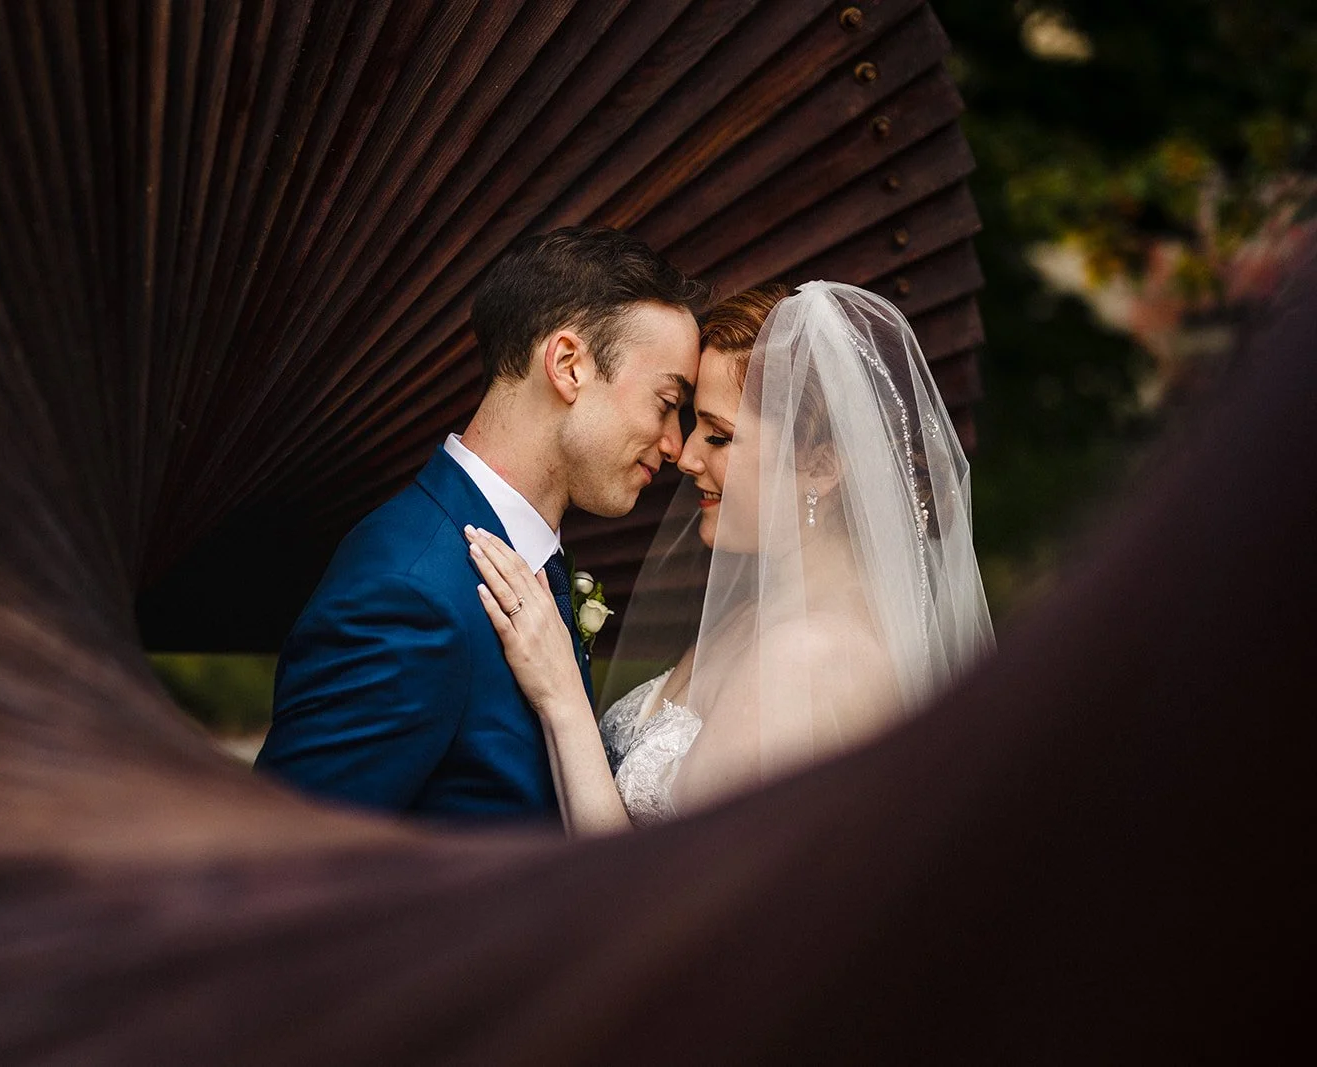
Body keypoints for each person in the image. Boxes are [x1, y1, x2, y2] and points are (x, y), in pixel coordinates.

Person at [467, 281, 995, 834]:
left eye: (719, 437)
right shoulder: (755, 616)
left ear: (821, 466)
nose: (686, 456)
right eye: (692, 422)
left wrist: (562, 700)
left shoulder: (812, 662)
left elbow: (666, 896)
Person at [255, 227, 706, 822]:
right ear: (569, 365)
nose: (675, 445)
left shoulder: (522, 561)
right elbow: (283, 861)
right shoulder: (410, 592)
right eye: (666, 402)